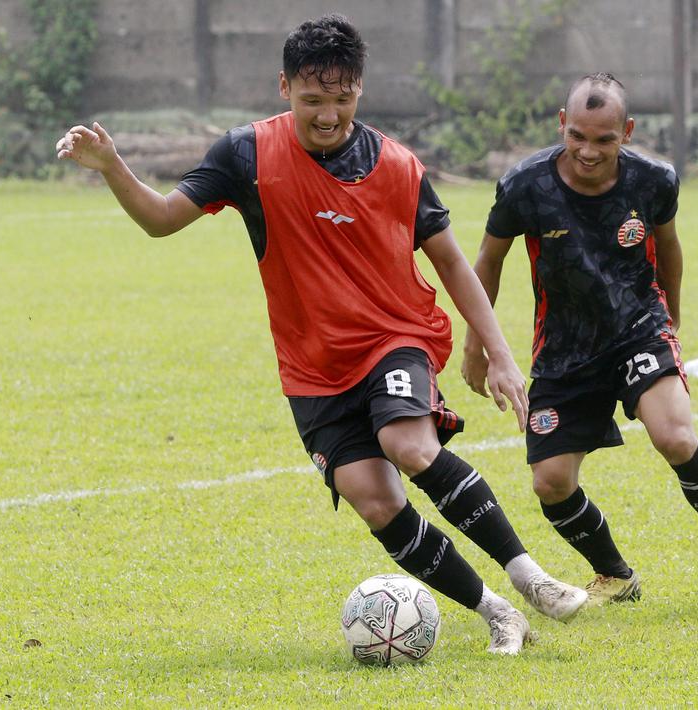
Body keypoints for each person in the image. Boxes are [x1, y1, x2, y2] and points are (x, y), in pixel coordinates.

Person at [55, 14, 586, 655]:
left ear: (359, 91)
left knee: (408, 444)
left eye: (341, 100)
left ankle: (528, 577)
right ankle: (496, 610)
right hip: (312, 367)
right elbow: (163, 220)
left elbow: (450, 262)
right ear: (284, 87)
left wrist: (498, 353)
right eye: (313, 100)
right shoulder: (246, 154)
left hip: (396, 335)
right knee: (373, 498)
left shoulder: (398, 166)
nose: (328, 115)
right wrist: (113, 166)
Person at [462, 73, 698, 611]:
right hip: (563, 350)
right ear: (562, 124)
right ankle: (615, 573)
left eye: (603, 139)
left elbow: (668, 249)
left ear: (626, 131)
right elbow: (488, 260)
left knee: (674, 436)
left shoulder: (653, 181)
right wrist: (475, 348)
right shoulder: (524, 185)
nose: (587, 150)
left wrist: (669, 319)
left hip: (637, 329)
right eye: (577, 135)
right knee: (550, 483)